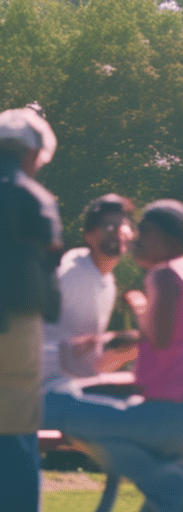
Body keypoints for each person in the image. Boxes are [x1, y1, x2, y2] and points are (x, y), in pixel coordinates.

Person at [44, 199, 183, 512]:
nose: (135, 237)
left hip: (177, 415)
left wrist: (111, 336)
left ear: (173, 242)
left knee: (54, 406)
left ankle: (170, 481)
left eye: (145, 231)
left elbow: (157, 338)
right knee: (107, 434)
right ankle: (181, 481)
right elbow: (167, 350)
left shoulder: (164, 275)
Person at [0, 107, 63, 511]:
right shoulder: (34, 198)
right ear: (31, 152)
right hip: (17, 327)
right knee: (17, 431)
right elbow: (49, 266)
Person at [42, 193, 136, 394]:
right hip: (47, 385)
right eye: (109, 225)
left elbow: (87, 354)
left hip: (74, 378)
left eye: (123, 225)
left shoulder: (107, 281)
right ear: (89, 236)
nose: (118, 230)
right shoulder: (72, 273)